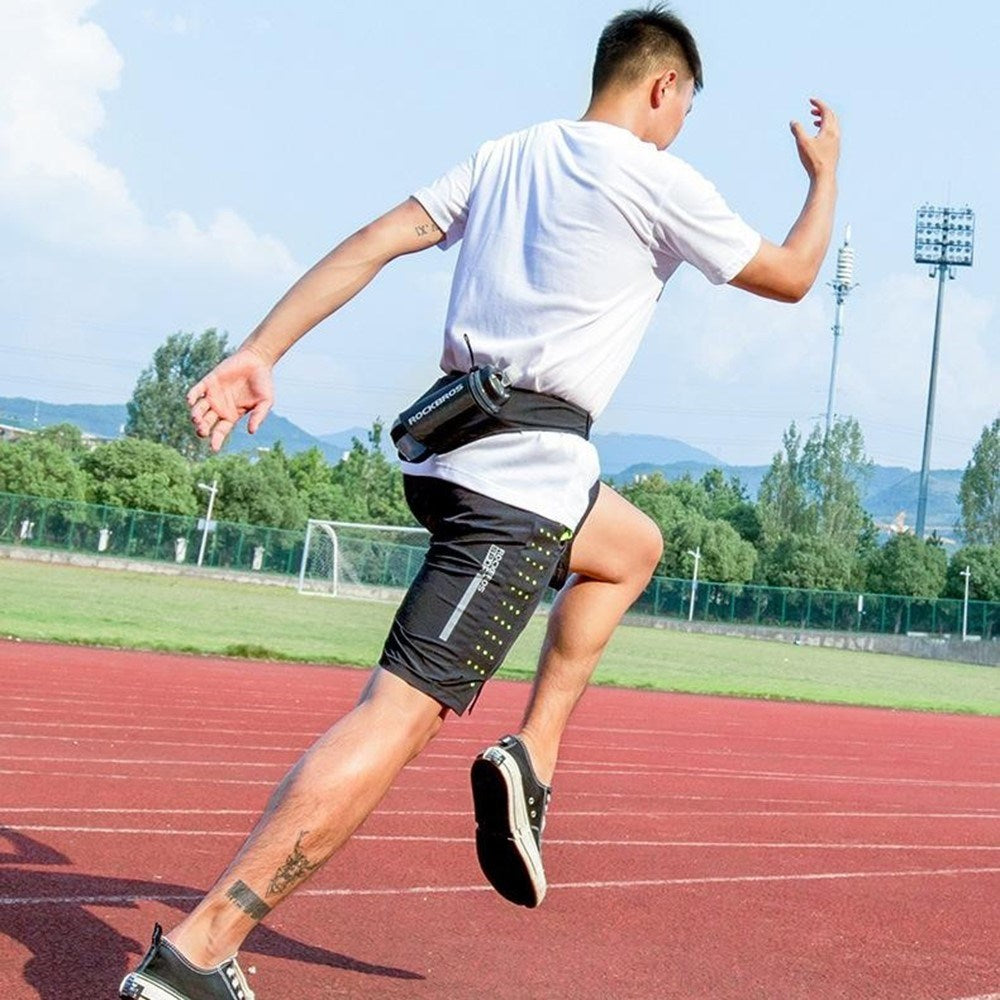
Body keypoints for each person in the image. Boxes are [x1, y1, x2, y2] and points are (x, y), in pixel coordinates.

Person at [120, 5, 839, 998]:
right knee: (394, 718)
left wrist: (261, 348)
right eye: (683, 111)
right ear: (663, 87)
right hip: (518, 489)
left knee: (631, 546)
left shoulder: (507, 154)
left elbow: (375, 240)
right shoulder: (657, 176)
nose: (679, 130)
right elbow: (796, 275)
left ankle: (531, 756)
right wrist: (824, 176)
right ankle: (195, 956)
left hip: (450, 455)